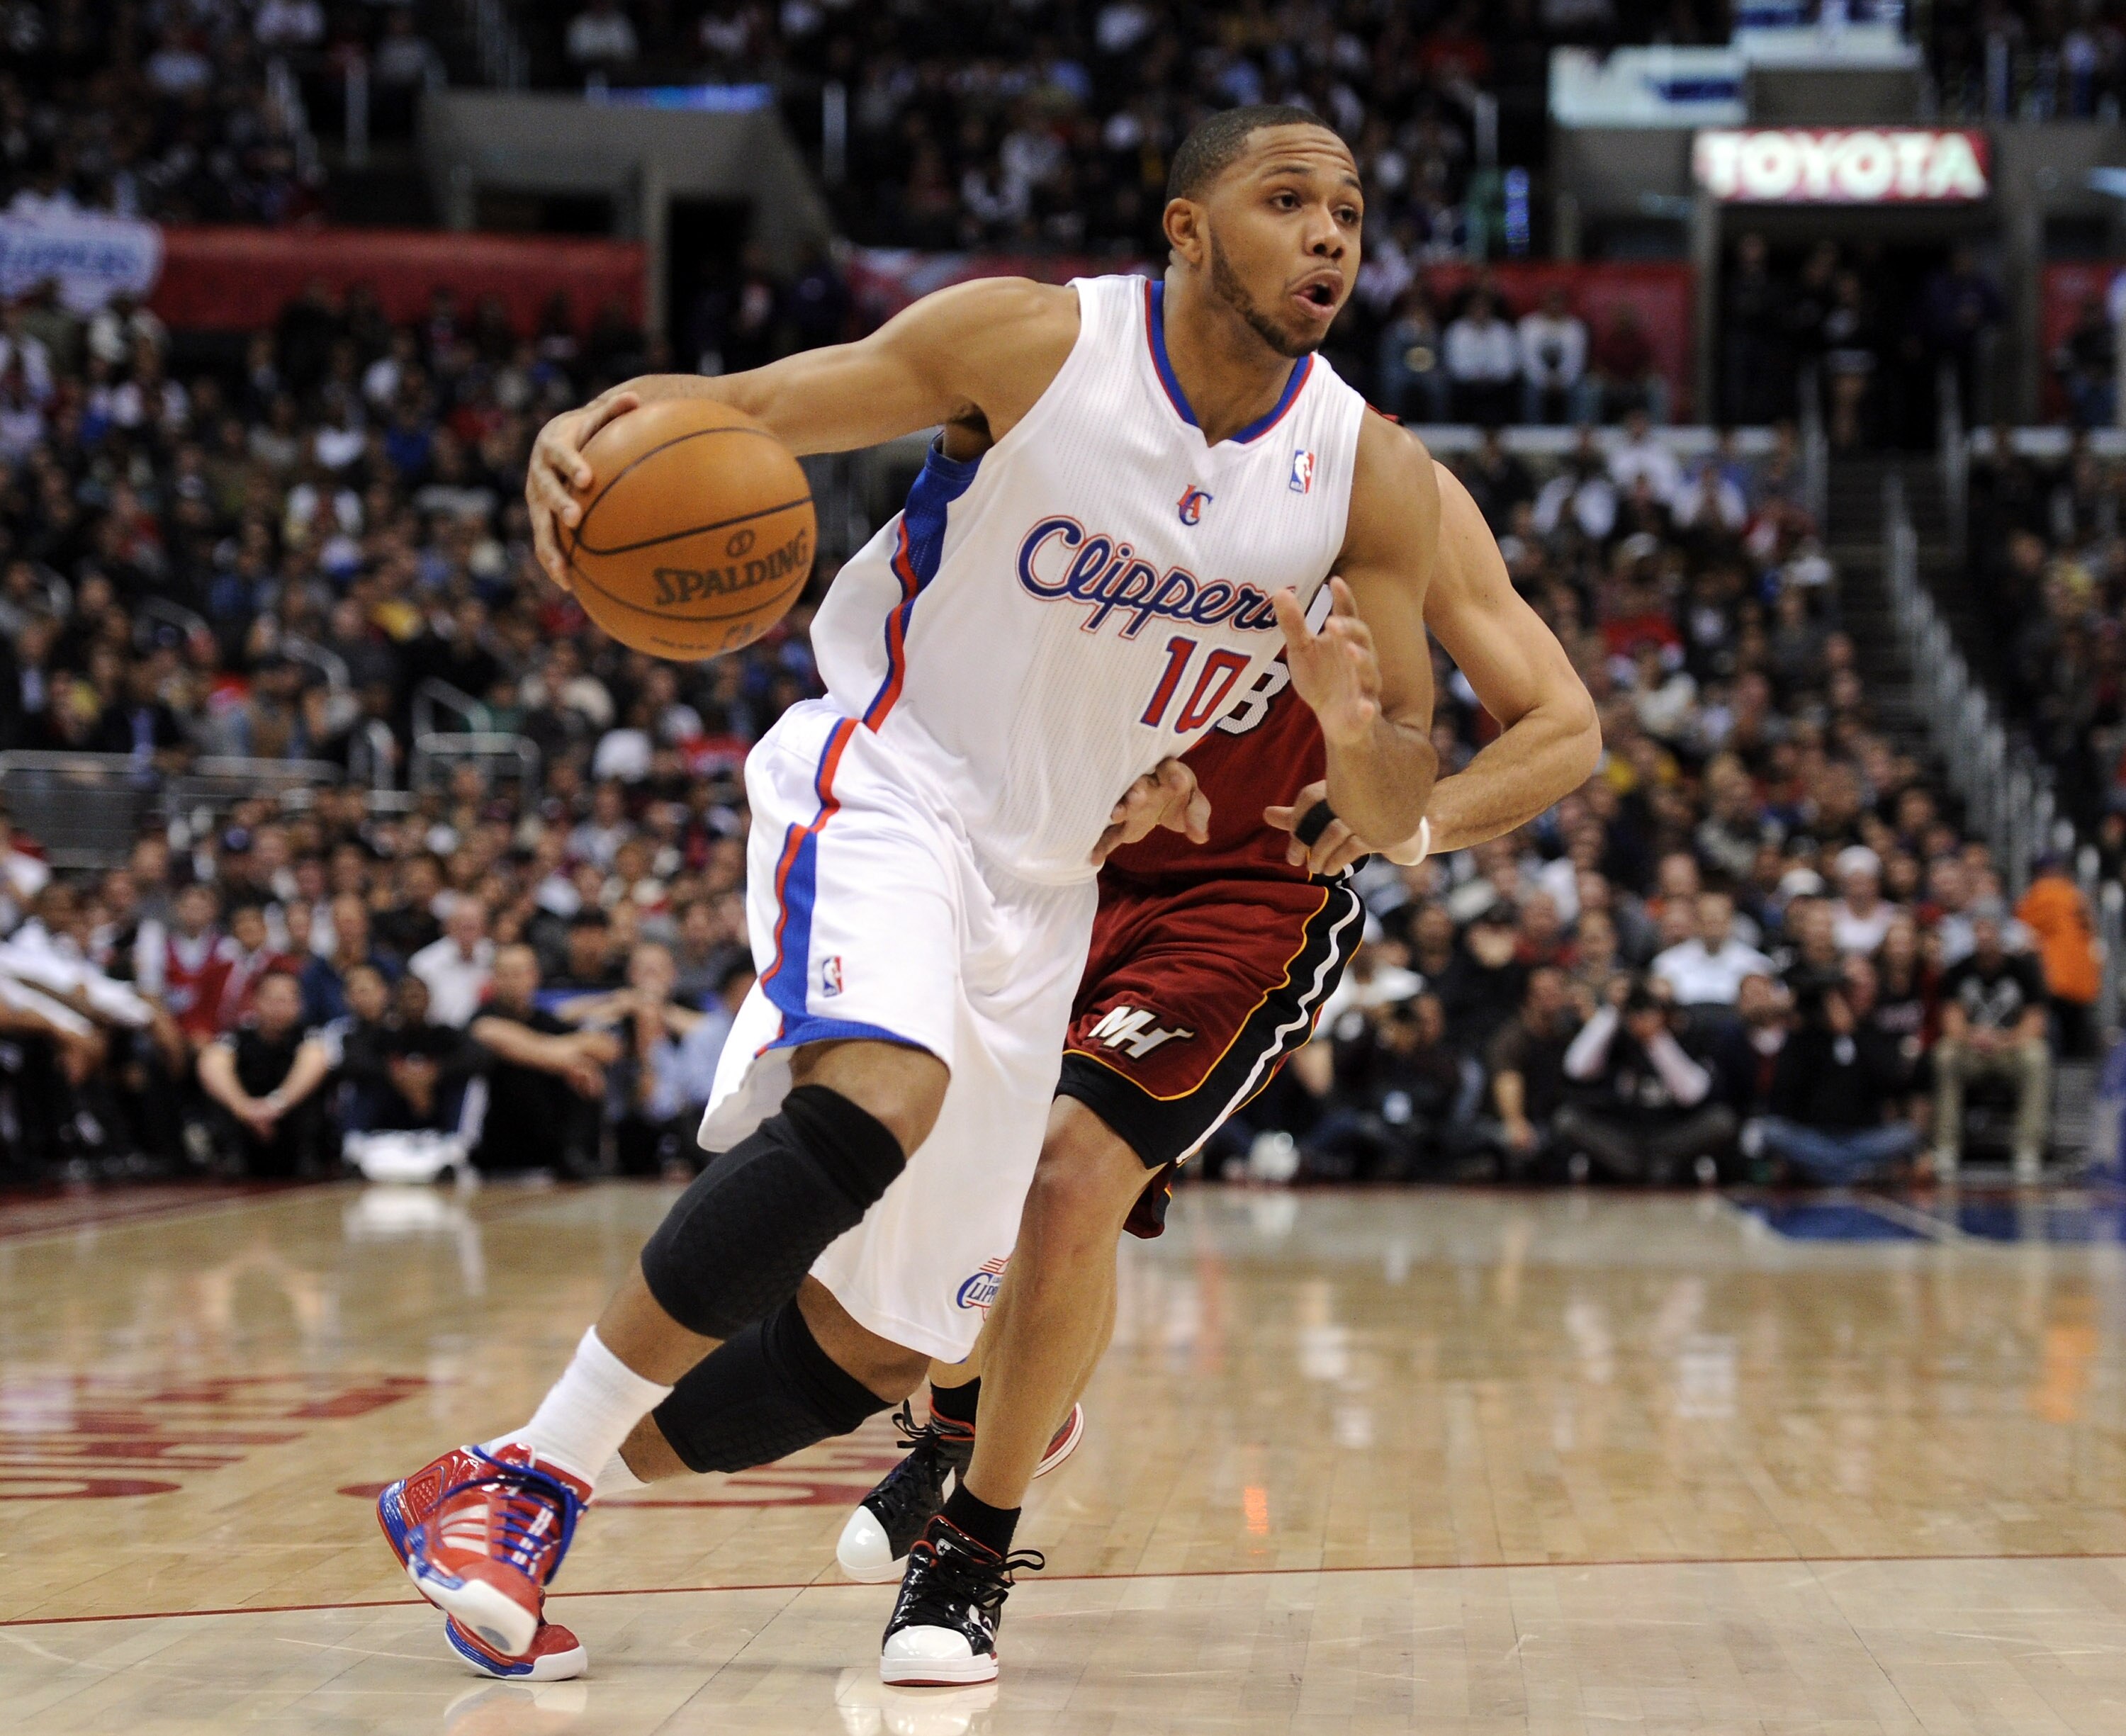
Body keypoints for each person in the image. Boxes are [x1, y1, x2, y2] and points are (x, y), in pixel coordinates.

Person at [376, 103, 1455, 1687]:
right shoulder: (1028, 344)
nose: (1328, 237)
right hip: (894, 775)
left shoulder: (1364, 475)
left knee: (889, 1342)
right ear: (1185, 225)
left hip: (1050, 880)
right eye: (1288, 200)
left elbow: (1398, 797)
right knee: (882, 1088)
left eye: (1350, 213)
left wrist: (1357, 737)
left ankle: (506, 1474)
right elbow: (742, 408)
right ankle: (530, 1482)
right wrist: (596, 430)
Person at [557, 458, 1597, 1675]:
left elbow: (1564, 727)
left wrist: (1411, 817)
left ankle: (971, 1549)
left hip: (1249, 898)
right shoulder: (1092, 431)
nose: (1327, 250)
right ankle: (874, 1422)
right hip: (1048, 872)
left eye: (1347, 244)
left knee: (1070, 1176)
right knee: (836, 1307)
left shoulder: (1384, 485)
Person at [1556, 979, 1735, 1183]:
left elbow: (1691, 1094)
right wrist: (1613, 1012)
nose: (1643, 1014)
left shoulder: (1689, 1033)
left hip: (1671, 1133)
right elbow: (1576, 1068)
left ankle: (1657, 1166)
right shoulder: (1615, 1032)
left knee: (1721, 1121)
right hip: (1623, 1134)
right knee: (1567, 1119)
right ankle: (1645, 1169)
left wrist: (1656, 1039)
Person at [465, 944, 618, 1176]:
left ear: (534, 977)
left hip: (551, 1153)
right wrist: (573, 1061)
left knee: (586, 1078)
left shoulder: (546, 1020)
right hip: (496, 1152)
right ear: (493, 979)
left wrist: (561, 1055)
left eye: (519, 973)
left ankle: (579, 1156)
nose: (512, 981)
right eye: (504, 974)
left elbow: (607, 1048)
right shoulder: (482, 1019)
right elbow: (498, 1037)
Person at [1932, 903, 2051, 1181]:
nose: (1985, 935)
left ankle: (2028, 1151)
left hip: (2010, 1050)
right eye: (1980, 928)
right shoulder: (1958, 970)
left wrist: (2003, 1040)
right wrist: (1974, 1036)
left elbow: (2035, 1021)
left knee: (2037, 1056)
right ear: (1973, 932)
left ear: (2002, 932)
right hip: (1971, 1049)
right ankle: (1946, 1148)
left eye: (1991, 928)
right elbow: (1950, 1021)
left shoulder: (2024, 969)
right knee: (1945, 1055)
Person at [1760, 981, 1919, 1185]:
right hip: (1814, 1136)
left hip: (1861, 1138)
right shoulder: (1805, 1038)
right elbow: (1783, 1089)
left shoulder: (1870, 1033)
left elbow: (1889, 1080)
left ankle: (1827, 1173)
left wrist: (1852, 1033)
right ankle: (1853, 1174)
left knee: (1906, 1134)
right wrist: (1802, 1029)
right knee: (1771, 1131)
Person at [196, 968, 334, 1177]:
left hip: (291, 1127)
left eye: (286, 1000)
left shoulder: (308, 1036)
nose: (279, 1008)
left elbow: (316, 1060)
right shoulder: (240, 1035)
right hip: (246, 1122)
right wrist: (244, 1107)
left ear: (299, 1004)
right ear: (255, 1001)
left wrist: (276, 1105)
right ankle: (231, 1158)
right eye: (272, 1000)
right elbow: (211, 1061)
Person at [1650, 890, 1773, 1008]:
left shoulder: (1756, 965)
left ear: (1731, 922)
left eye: (1718, 919)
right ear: (1695, 922)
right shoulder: (1668, 963)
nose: (1713, 925)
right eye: (1707, 918)